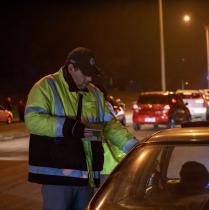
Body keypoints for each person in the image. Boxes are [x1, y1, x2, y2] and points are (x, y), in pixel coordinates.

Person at [24, 47, 138, 210]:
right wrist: (68, 127)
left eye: (91, 73)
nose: (89, 78)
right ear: (71, 68)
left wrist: (135, 147)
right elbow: (32, 120)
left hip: (86, 176)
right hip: (57, 177)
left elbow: (110, 126)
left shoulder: (95, 93)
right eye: (85, 73)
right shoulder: (46, 86)